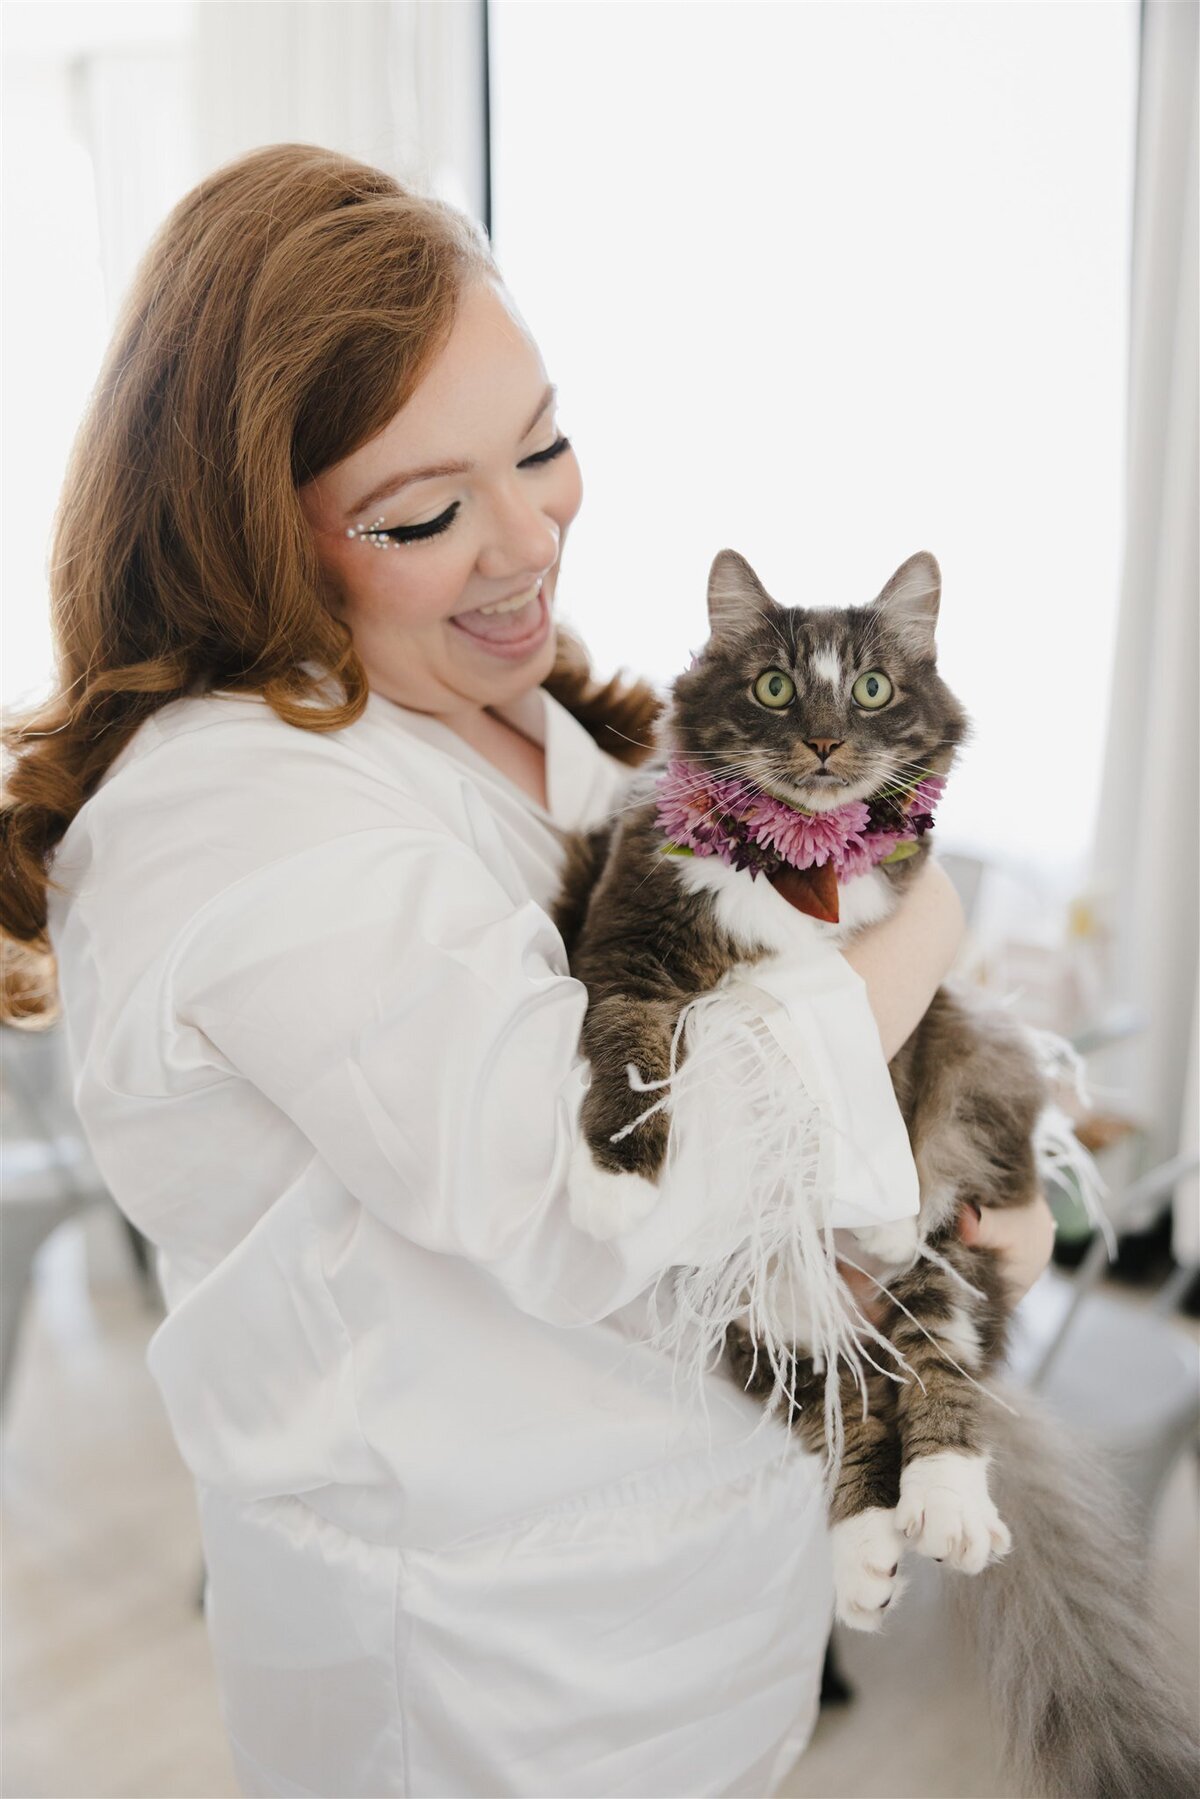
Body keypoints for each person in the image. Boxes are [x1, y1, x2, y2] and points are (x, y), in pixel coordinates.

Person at [0, 145, 1055, 1799]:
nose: (529, 539)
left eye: (544, 444)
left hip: (713, 1594)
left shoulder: (515, 712)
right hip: (489, 1675)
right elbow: (602, 1184)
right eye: (423, 510)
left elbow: (760, 1072)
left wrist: (960, 1202)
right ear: (251, 540)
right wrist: (926, 926)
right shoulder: (235, 810)